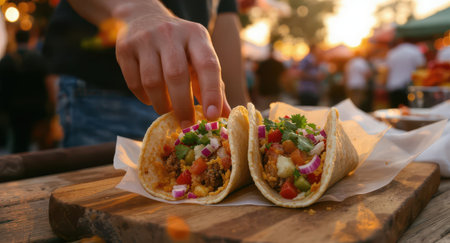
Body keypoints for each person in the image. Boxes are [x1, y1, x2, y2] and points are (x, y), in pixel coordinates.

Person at [43, 0, 249, 147]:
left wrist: (242, 117)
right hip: (106, 96)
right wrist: (138, 11)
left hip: (190, 101)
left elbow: (224, 17)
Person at [0, 31, 53, 153]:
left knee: (18, 140)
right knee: (39, 140)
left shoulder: (6, 60)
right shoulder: (39, 59)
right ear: (30, 40)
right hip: (37, 107)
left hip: (14, 108)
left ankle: (19, 166)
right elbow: (48, 83)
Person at [385, 39, 425, 108]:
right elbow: (421, 68)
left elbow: (387, 70)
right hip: (409, 87)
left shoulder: (392, 52)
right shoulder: (415, 50)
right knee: (409, 113)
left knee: (395, 112)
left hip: (393, 86)